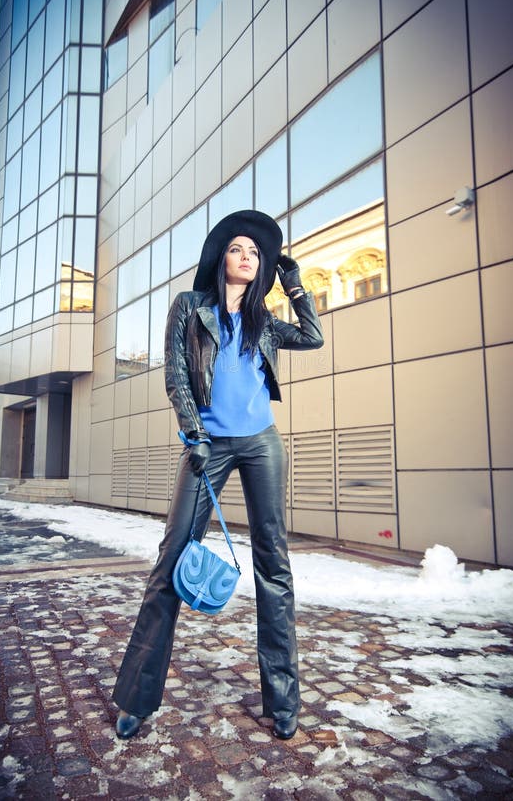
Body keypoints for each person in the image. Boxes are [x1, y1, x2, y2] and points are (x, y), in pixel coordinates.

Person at [113, 209, 324, 741]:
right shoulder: (190, 307)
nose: (248, 257)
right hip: (206, 446)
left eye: (257, 252)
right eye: (239, 249)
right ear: (220, 257)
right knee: (170, 560)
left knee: (273, 564)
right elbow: (176, 374)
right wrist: (194, 433)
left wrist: (294, 285)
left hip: (261, 445)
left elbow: (313, 336)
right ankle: (137, 698)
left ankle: (282, 701)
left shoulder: (264, 321)